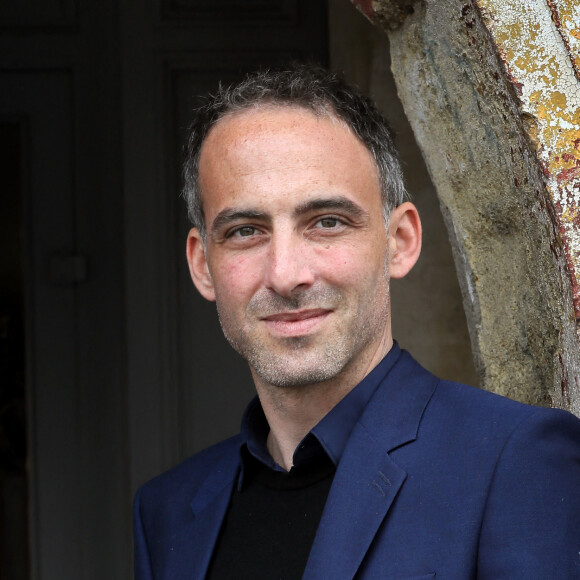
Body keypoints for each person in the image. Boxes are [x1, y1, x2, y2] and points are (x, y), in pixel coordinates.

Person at [133, 64, 580, 579]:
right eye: (245, 231)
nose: (286, 275)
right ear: (201, 264)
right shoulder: (167, 509)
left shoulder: (515, 462)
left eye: (326, 222)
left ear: (400, 241)